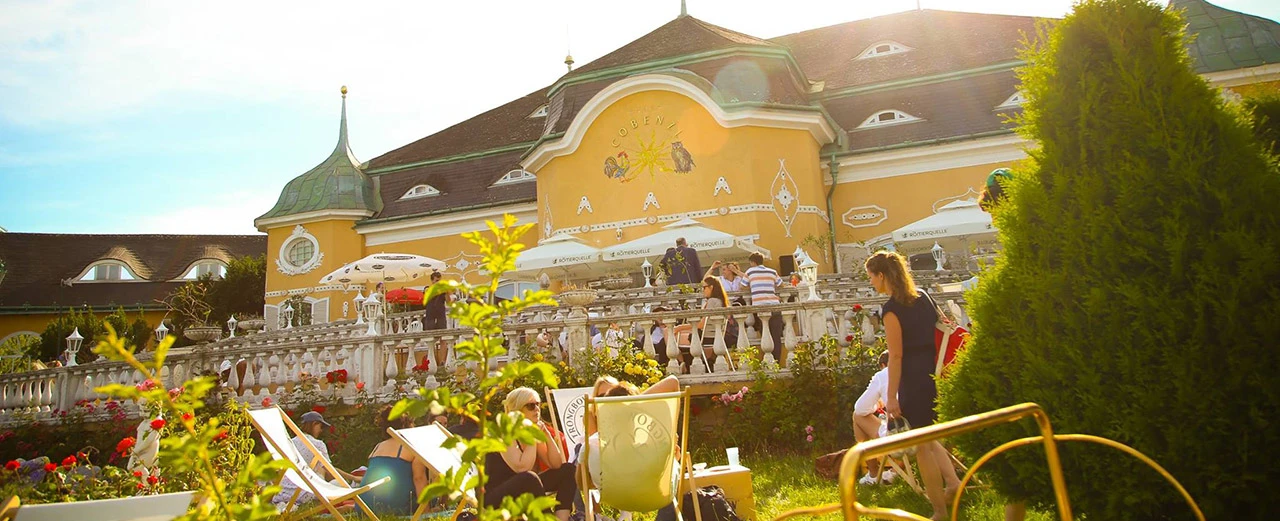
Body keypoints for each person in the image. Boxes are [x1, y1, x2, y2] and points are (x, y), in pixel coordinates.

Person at [865, 251, 961, 521]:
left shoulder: (891, 309)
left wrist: (892, 396)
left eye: (871, 277)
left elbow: (895, 355)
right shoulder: (924, 296)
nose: (871, 282)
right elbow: (944, 325)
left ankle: (940, 510)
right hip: (934, 369)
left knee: (922, 446)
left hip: (913, 376)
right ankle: (953, 483)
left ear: (882, 276)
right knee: (930, 436)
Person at [485, 388, 577, 521]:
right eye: (530, 406)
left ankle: (562, 518)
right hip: (497, 495)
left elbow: (556, 464)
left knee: (568, 470)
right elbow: (522, 468)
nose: (537, 409)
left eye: (538, 404)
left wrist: (546, 434)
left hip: (524, 487)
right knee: (529, 477)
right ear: (517, 410)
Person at [271, 411, 362, 511]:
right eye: (321, 426)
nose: (321, 430)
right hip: (303, 493)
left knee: (318, 468)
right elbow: (330, 470)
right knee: (334, 479)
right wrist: (354, 477)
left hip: (282, 492)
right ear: (315, 424)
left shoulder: (290, 443)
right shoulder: (317, 444)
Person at [359, 405, 430, 516]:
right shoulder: (412, 447)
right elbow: (419, 478)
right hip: (393, 507)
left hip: (363, 506)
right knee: (433, 495)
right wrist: (426, 513)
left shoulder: (378, 447)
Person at [853, 352, 893, 485]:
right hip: (925, 433)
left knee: (857, 416)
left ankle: (873, 474)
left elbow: (860, 408)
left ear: (883, 365)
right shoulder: (916, 369)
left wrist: (877, 405)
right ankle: (895, 472)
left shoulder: (883, 375)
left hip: (899, 436)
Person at [744, 252, 786, 366]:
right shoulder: (772, 271)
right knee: (776, 336)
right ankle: (776, 362)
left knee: (765, 334)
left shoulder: (750, 271)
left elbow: (742, 286)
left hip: (761, 307)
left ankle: (769, 361)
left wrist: (753, 285)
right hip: (774, 305)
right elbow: (781, 285)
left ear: (753, 262)